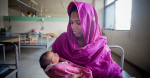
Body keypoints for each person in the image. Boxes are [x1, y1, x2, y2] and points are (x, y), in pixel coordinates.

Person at [45, 1, 122, 78]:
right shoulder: (63, 40)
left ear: (89, 23)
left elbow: (109, 72)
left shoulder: (101, 48)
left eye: (78, 23)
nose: (73, 27)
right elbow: (46, 66)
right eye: (71, 22)